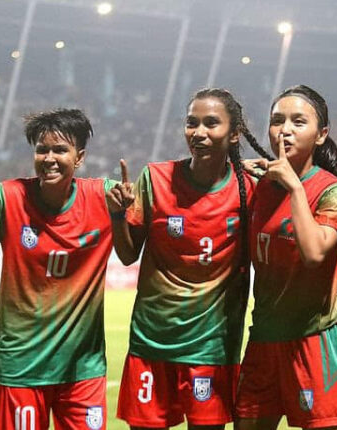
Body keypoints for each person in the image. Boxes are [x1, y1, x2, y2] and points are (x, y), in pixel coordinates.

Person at [0, 108, 115, 430]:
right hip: (21, 367)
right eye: (42, 150)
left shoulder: (105, 197)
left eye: (60, 150)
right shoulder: (8, 197)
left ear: (80, 157)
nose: (49, 158)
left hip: (82, 370)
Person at [109, 88, 271, 430]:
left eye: (211, 123)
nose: (198, 132)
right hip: (152, 342)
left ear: (235, 133)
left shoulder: (250, 188)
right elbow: (127, 254)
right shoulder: (156, 178)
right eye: (191, 123)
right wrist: (118, 215)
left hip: (211, 349)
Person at [234, 85, 337, 430]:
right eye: (277, 121)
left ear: (321, 134)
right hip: (264, 338)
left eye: (298, 122)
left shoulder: (332, 190)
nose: (284, 130)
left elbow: (314, 253)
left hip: (314, 341)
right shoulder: (257, 186)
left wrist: (295, 187)